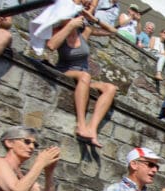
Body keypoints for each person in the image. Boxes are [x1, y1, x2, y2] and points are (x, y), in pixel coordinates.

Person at [46, 9, 117, 149]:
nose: (79, 18)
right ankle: (81, 124)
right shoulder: (59, 31)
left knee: (111, 88)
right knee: (85, 76)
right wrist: (70, 26)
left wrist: (94, 19)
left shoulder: (85, 32)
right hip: (65, 71)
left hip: (85, 76)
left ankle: (92, 129)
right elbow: (51, 46)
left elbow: (113, 32)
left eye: (79, 16)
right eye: (75, 16)